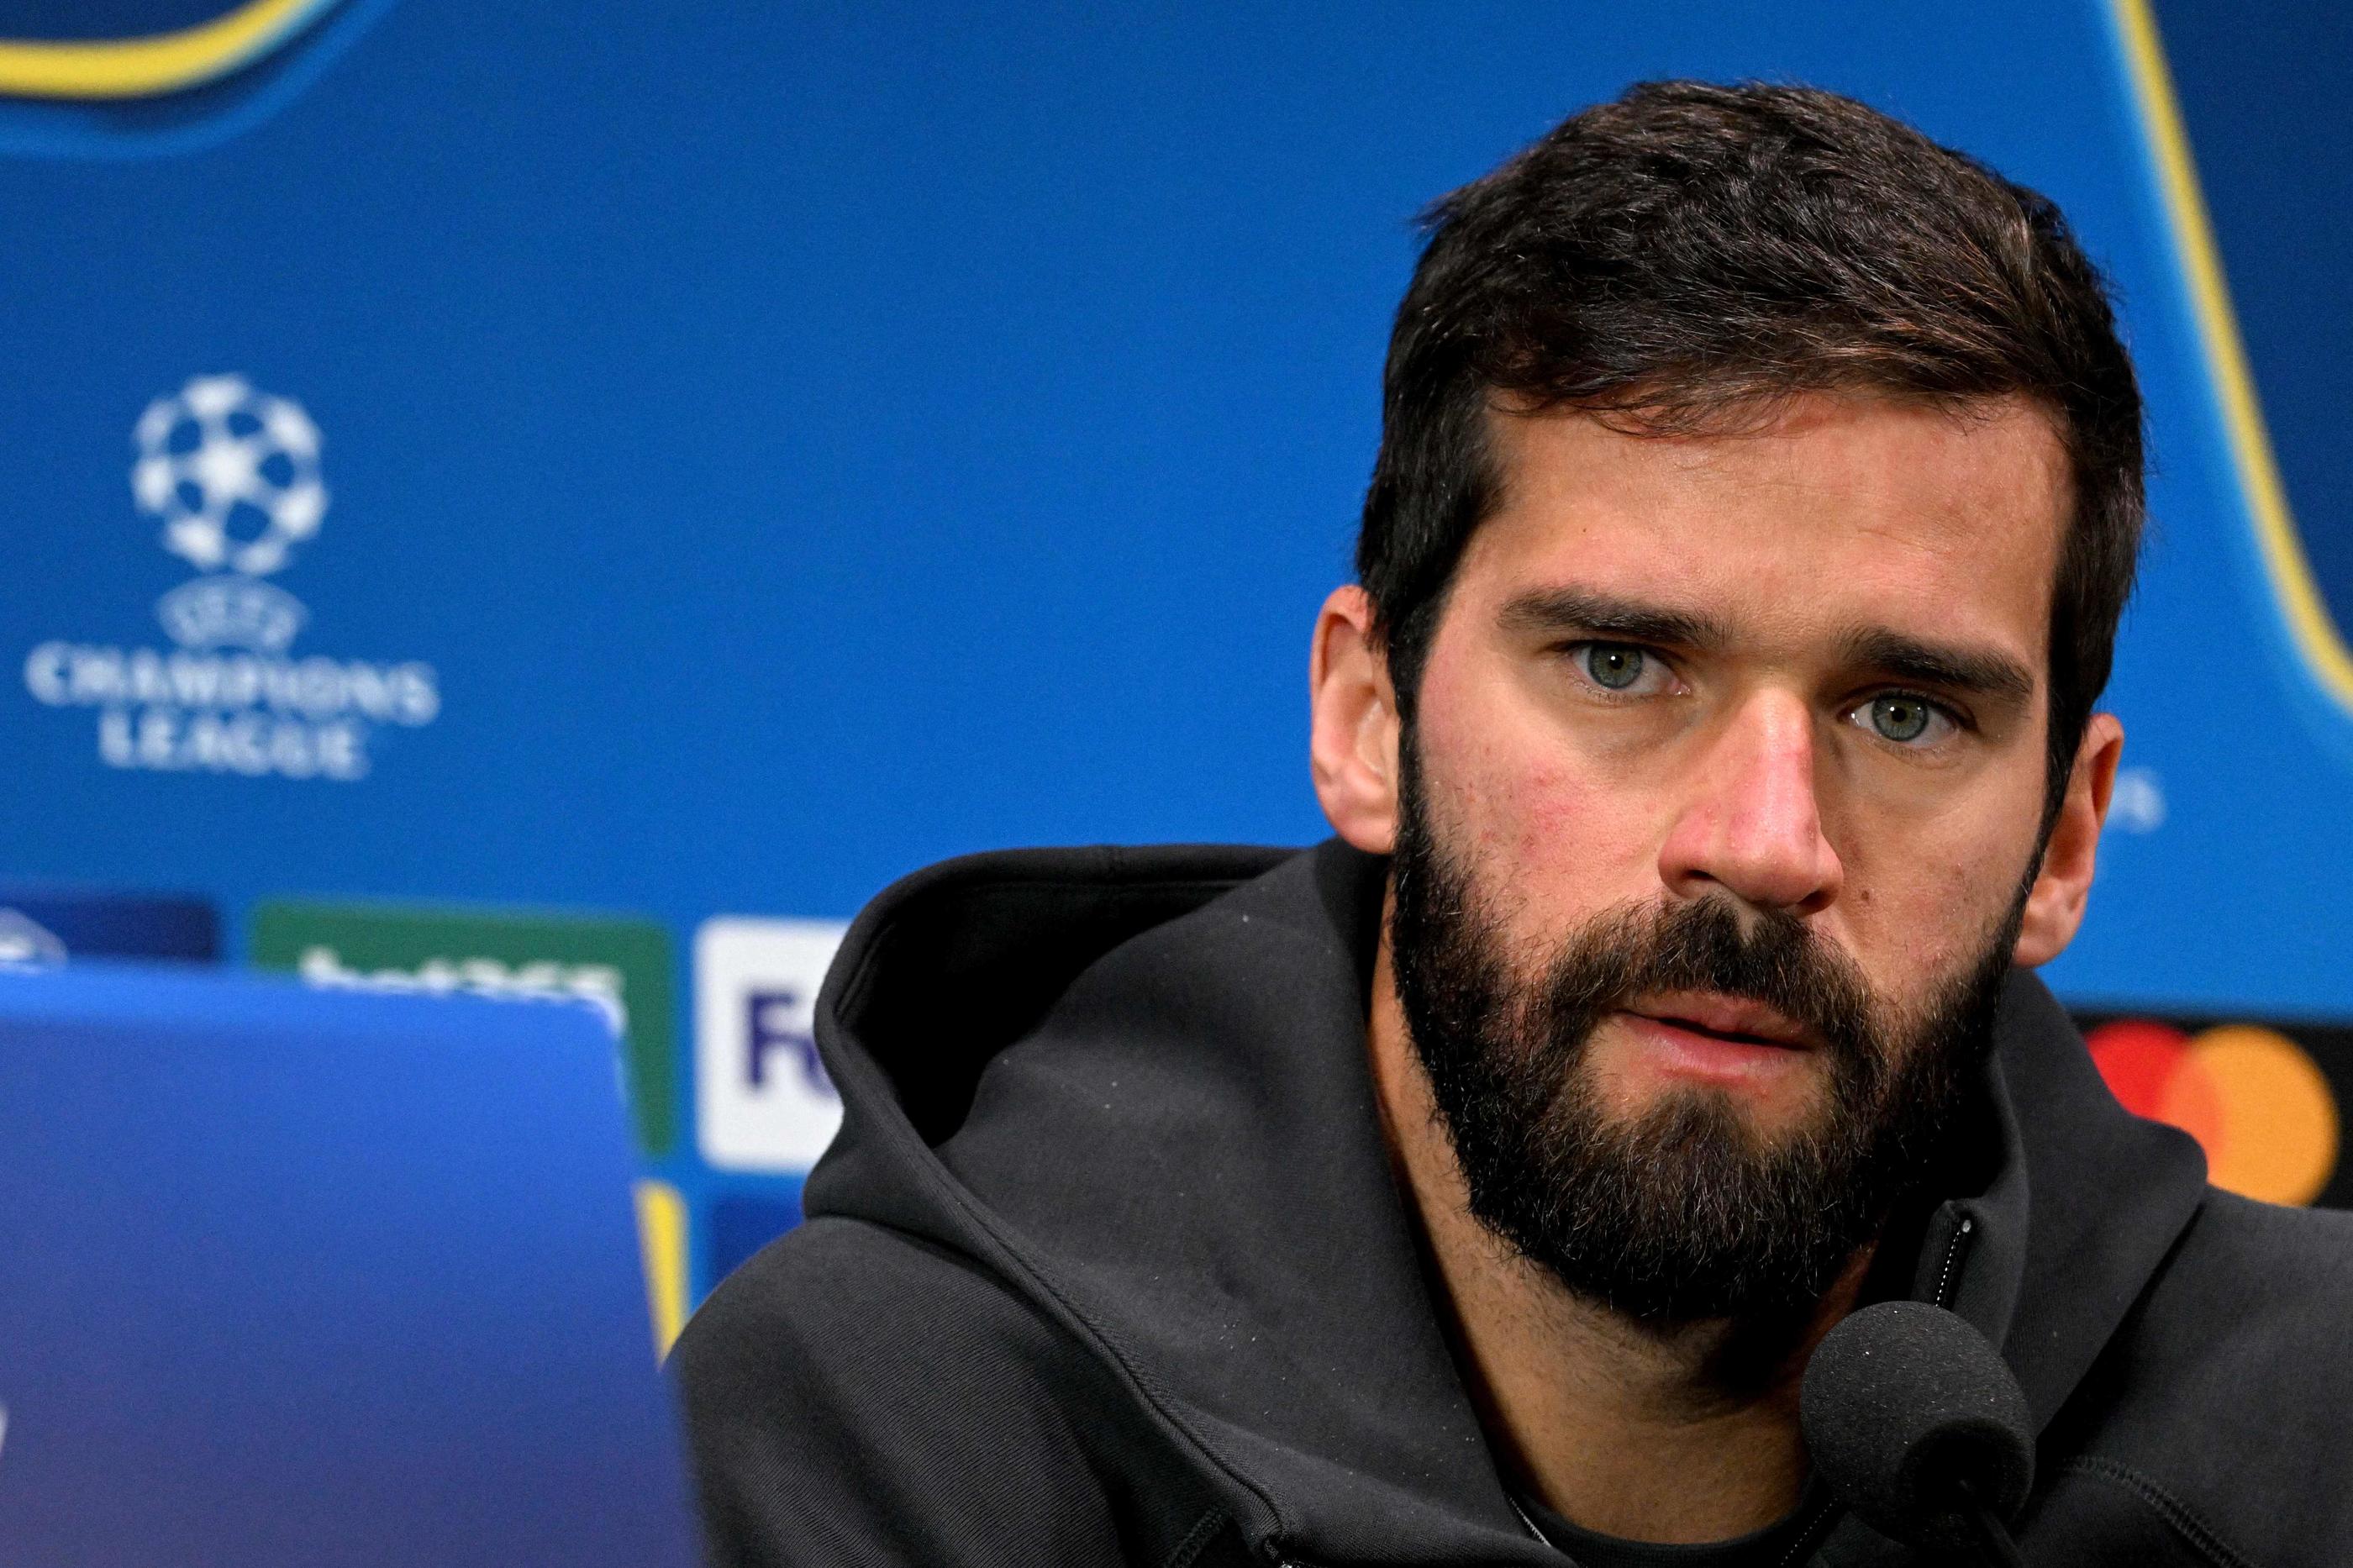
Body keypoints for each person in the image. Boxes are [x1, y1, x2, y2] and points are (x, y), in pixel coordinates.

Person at [673, 81, 2353, 1567]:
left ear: (2064, 836)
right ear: (1366, 720)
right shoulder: (885, 1431)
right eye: (1620, 665)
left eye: (1900, 714)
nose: (1765, 842)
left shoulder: (2312, 1445)